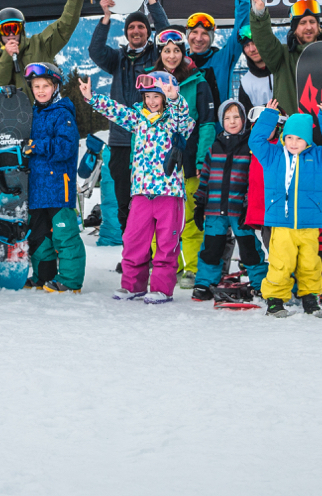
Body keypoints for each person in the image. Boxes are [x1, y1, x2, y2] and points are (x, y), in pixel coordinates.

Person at [83, 71, 194, 304]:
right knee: (134, 241)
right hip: (142, 192)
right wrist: (92, 98)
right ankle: (133, 286)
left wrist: (175, 99)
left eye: (157, 96)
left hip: (169, 193)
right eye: (148, 97)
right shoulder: (138, 118)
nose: (152, 101)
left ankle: (162, 289)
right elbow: (117, 111)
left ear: (164, 97)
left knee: (166, 244)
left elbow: (184, 120)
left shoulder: (175, 120)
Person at [87, 0, 171, 240]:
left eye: (141, 27)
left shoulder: (156, 55)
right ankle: (132, 252)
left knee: (151, 199)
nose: (136, 31)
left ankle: (153, 251)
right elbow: (95, 50)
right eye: (131, 27)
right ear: (126, 33)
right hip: (122, 140)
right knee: (125, 200)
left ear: (147, 31)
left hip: (152, 139)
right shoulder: (117, 59)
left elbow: (166, 30)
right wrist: (105, 17)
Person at [251, 103, 322, 317]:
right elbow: (255, 140)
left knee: (310, 264)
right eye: (290, 137)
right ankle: (274, 300)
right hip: (281, 223)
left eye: (299, 138)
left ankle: (311, 299)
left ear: (308, 141)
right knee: (280, 264)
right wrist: (269, 116)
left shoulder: (319, 158)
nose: (293, 143)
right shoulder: (273, 156)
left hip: (308, 223)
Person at [149, 28, 216, 288]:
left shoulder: (197, 83)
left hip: (187, 162)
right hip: (156, 164)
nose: (172, 55)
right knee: (160, 221)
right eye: (167, 51)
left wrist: (201, 161)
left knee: (189, 219)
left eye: (177, 50)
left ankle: (193, 268)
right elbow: (141, 123)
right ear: (160, 53)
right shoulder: (150, 82)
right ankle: (166, 266)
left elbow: (208, 124)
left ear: (183, 52)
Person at [22, 62, 86, 293]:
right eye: (36, 86)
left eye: (45, 86)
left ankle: (69, 281)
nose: (40, 90)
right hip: (37, 188)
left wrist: (36, 145)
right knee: (38, 236)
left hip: (59, 187)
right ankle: (43, 276)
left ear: (55, 86)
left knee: (64, 235)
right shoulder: (32, 113)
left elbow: (67, 147)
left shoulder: (62, 113)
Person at [191, 100, 259, 301]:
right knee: (211, 249)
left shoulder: (250, 147)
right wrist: (200, 204)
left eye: (236, 117)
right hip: (214, 209)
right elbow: (205, 179)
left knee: (249, 249)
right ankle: (204, 283)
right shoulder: (214, 148)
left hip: (240, 210)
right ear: (221, 121)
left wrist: (249, 204)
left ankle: (260, 281)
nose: (232, 121)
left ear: (244, 120)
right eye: (227, 118)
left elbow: (253, 180)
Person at [0, 0, 90, 100]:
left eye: (15, 28)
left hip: (43, 114)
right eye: (6, 29)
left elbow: (64, 26)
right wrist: (7, 57)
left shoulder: (39, 44)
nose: (11, 34)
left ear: (22, 29)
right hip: (12, 117)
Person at [248, 0, 322, 115]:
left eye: (312, 22)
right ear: (294, 30)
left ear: (318, 27)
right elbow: (264, 39)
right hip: (291, 132)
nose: (308, 27)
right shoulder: (281, 57)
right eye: (302, 23)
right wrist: (259, 13)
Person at [184, 0, 252, 106]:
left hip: (218, 128)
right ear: (187, 34)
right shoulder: (178, 61)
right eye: (194, 32)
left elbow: (241, 28)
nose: (199, 38)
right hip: (186, 128)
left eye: (205, 34)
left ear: (212, 37)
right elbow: (163, 34)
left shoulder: (223, 59)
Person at [235, 25, 275, 109]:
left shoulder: (282, 70)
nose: (252, 49)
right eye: (246, 45)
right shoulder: (246, 83)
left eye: (255, 43)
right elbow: (247, 118)